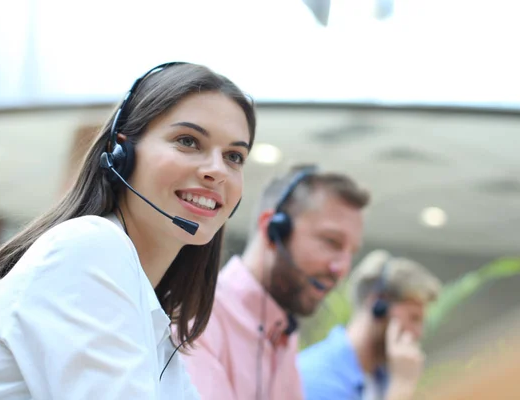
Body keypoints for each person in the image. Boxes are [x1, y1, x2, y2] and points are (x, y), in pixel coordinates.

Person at [0, 61, 256, 399]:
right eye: (188, 141)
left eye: (234, 156)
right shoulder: (89, 248)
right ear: (121, 152)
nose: (217, 170)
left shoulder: (148, 313)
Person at [183, 164, 371, 400]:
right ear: (273, 230)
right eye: (331, 242)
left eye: (351, 252)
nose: (341, 269)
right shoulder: (198, 317)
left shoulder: (282, 330)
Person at [297, 249, 442, 400]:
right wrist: (402, 387)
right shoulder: (317, 378)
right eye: (414, 318)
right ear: (378, 306)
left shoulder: (382, 378)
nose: (419, 333)